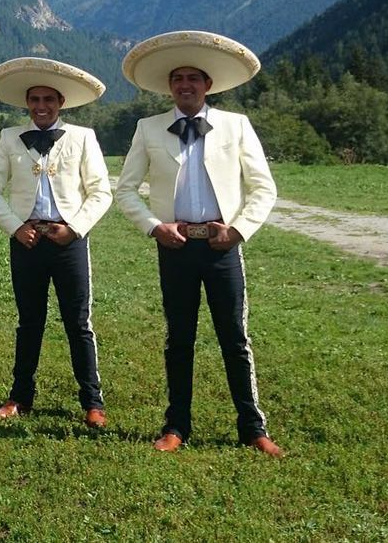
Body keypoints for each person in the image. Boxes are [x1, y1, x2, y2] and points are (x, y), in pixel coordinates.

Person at [113, 31, 282, 457]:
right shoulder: (148, 128)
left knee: (234, 338)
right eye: (178, 79)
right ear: (169, 86)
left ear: (208, 85)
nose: (185, 85)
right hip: (175, 248)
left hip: (223, 247)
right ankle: (176, 425)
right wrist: (154, 227)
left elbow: (264, 188)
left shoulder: (236, 126)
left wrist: (238, 230)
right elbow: (126, 189)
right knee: (179, 339)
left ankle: (253, 427)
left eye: (193, 78)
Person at [0, 58, 112, 429]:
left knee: (78, 323)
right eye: (35, 100)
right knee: (29, 321)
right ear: (27, 103)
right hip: (27, 241)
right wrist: (15, 227)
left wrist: (75, 228)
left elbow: (101, 192)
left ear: (61, 102)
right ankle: (20, 396)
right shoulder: (10, 137)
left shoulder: (82, 137)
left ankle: (92, 401)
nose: (41, 106)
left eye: (48, 99)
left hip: (69, 240)